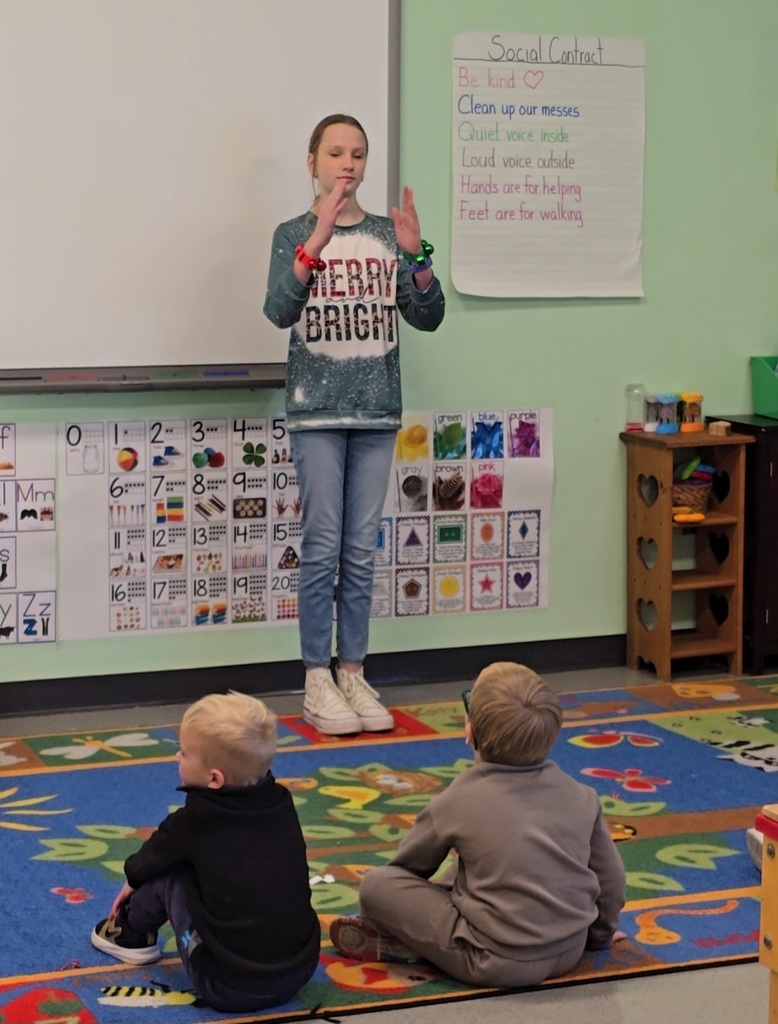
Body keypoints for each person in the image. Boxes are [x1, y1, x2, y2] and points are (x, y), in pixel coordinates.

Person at [263, 113, 445, 736]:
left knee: (360, 551)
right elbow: (279, 310)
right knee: (321, 546)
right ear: (311, 161)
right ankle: (316, 676)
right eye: (336, 152)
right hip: (316, 414)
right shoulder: (292, 232)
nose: (348, 163)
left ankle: (353, 671)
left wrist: (418, 254)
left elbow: (428, 315)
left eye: (358, 154)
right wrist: (312, 243)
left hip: (377, 413)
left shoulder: (386, 235)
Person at [329, 662, 627, 988]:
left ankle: (412, 945)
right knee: (480, 862)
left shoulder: (458, 799)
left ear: (469, 731)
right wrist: (598, 939)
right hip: (570, 949)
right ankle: (426, 940)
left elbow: (407, 872)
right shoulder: (581, 795)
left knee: (377, 884)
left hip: (495, 960)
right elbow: (612, 879)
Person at [90, 692, 320, 1013]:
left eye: (183, 753)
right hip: (298, 972)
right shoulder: (282, 803)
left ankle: (131, 933)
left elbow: (149, 861)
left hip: (225, 986)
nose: (176, 759)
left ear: (214, 778)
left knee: (173, 868)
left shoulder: (194, 821)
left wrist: (132, 881)